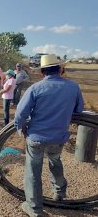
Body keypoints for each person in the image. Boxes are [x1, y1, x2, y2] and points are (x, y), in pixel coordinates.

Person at [14, 54, 84, 217]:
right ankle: (59, 193)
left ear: (42, 72)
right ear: (60, 69)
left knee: (33, 171)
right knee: (55, 161)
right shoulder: (73, 87)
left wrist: (20, 129)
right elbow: (78, 111)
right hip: (59, 137)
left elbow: (20, 114)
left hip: (36, 137)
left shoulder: (35, 88)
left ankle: (34, 209)